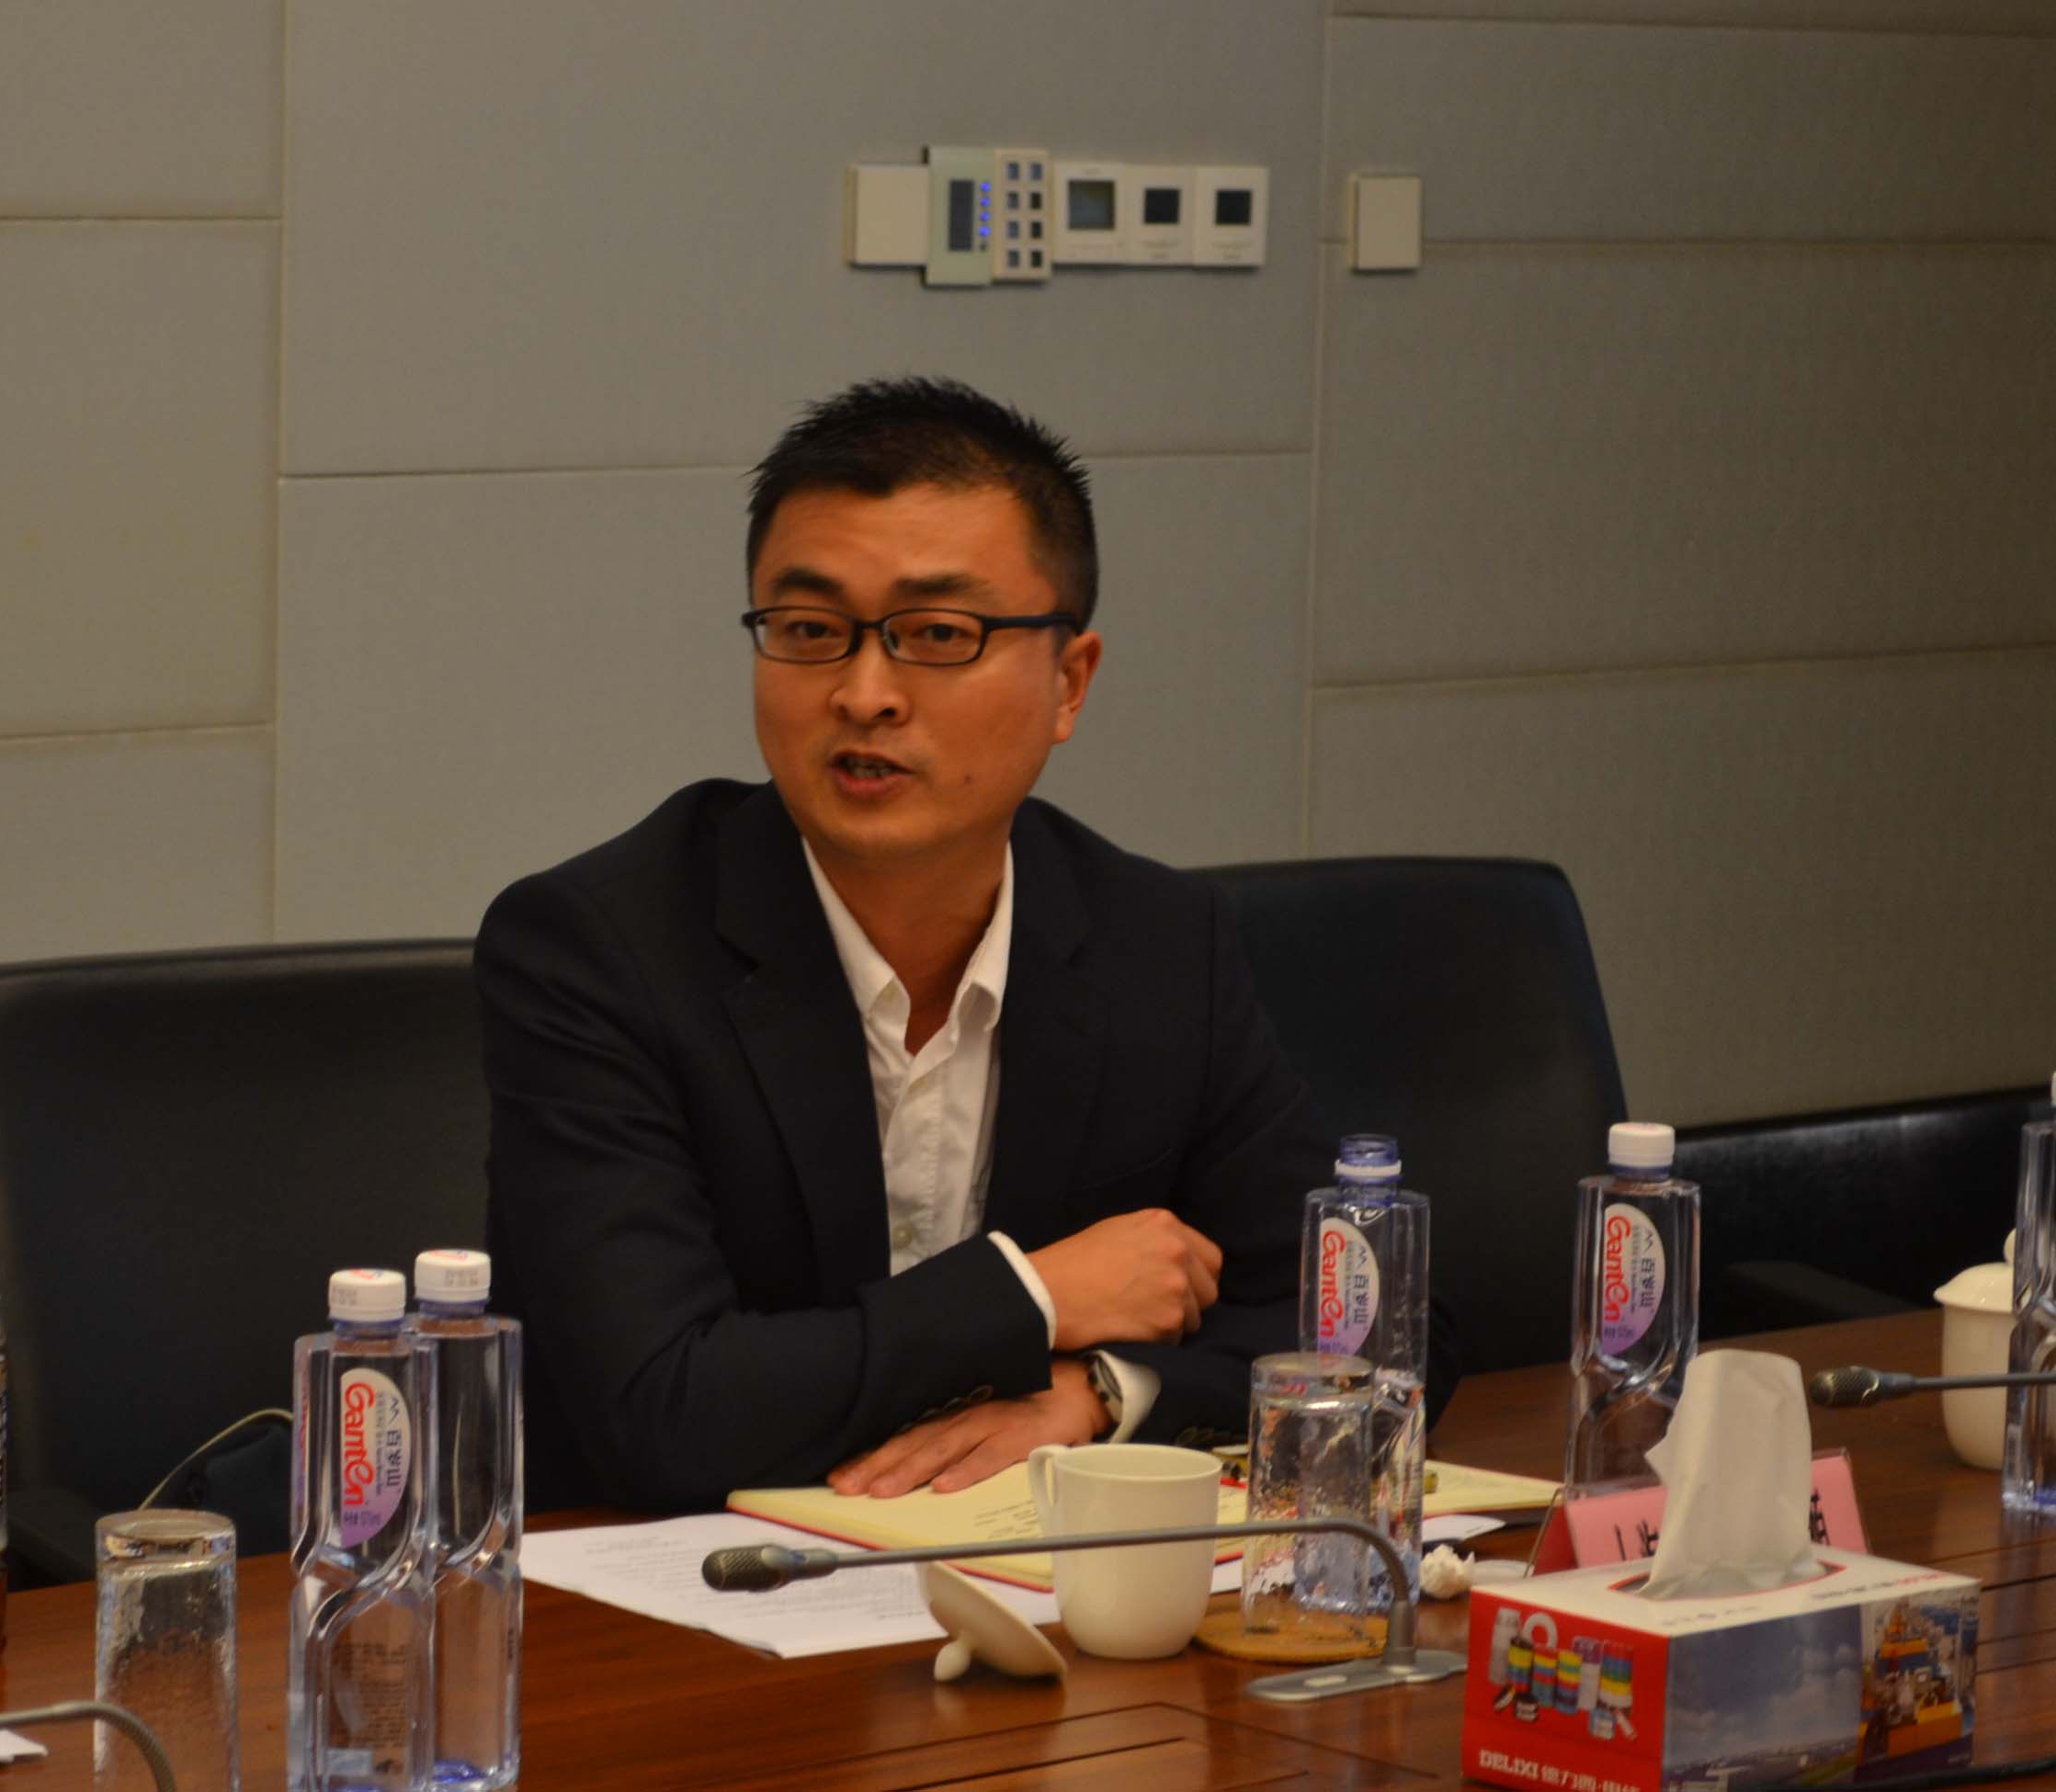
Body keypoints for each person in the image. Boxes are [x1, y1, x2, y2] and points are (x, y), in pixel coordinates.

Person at [478, 376, 1456, 1513]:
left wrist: (1102, 1390)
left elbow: (1373, 1328)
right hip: (684, 1587)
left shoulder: (1154, 945)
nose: (863, 694)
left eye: (938, 635)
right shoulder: (599, 949)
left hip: (1026, 1579)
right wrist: (1032, 1298)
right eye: (808, 632)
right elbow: (658, 1406)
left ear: (1067, 683)